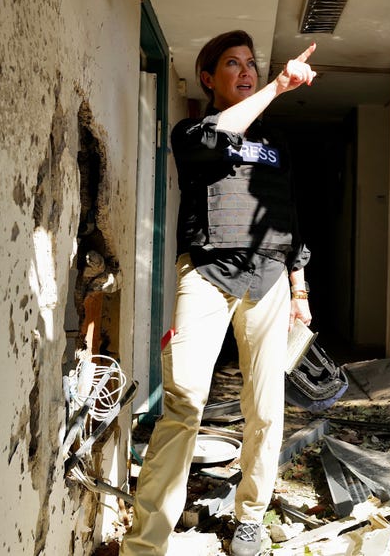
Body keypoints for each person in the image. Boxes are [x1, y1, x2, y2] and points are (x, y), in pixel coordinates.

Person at [120, 30, 317, 556]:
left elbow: (290, 216)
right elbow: (224, 130)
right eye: (233, 64)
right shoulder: (194, 131)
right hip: (206, 273)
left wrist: (299, 288)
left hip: (270, 279)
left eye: (251, 63)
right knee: (184, 401)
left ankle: (251, 516)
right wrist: (276, 86)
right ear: (209, 79)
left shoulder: (277, 147)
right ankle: (145, 543)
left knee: (267, 408)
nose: (246, 70)